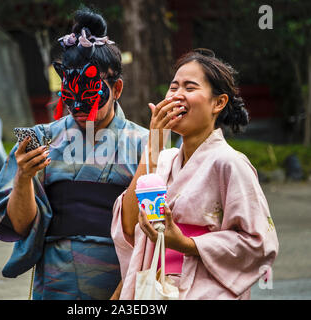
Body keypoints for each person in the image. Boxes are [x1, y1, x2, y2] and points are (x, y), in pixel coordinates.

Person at [0, 8, 148, 300]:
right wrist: (24, 177)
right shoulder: (40, 140)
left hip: (124, 283)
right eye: (70, 95)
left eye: (91, 94)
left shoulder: (145, 145)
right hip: (56, 282)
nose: (80, 106)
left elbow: (160, 225)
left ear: (118, 88)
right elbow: (17, 226)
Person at [111, 49, 279, 300]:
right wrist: (155, 144)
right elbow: (128, 225)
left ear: (218, 103)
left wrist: (187, 244)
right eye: (173, 87)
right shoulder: (164, 159)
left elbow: (258, 243)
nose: (177, 95)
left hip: (205, 290)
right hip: (153, 288)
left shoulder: (230, 163)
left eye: (190, 88)